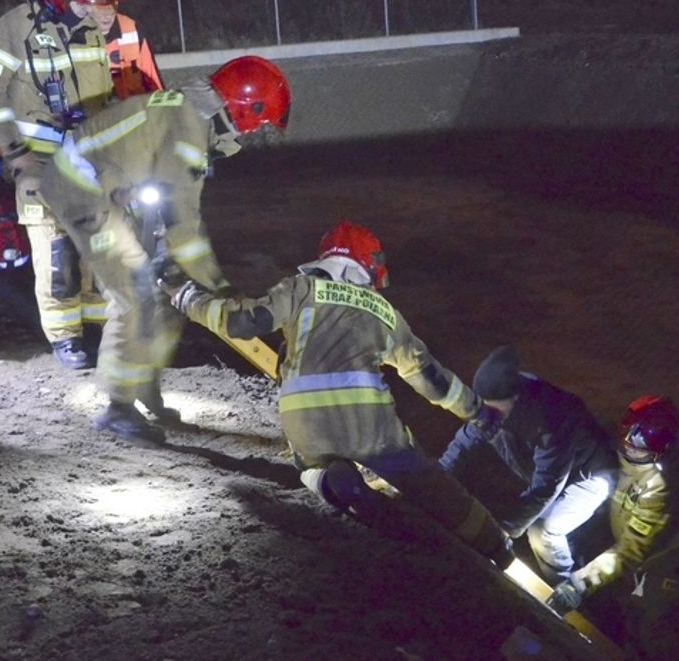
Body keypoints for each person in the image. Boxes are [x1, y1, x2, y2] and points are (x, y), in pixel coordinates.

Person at [164, 220, 515, 568]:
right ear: (370, 267)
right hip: (372, 429)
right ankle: (496, 546)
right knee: (427, 481)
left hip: (304, 422)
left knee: (306, 465)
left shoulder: (300, 289)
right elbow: (431, 379)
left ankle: (332, 481)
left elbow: (242, 323)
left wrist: (187, 297)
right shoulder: (386, 314)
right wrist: (479, 413)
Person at [39, 55, 291, 444]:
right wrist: (218, 285)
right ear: (244, 110)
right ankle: (117, 408)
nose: (252, 134)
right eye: (257, 124)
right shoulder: (189, 133)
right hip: (81, 193)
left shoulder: (186, 112)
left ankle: (144, 389)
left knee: (162, 295)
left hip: (109, 188)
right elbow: (183, 226)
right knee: (135, 293)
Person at [0, 0, 115, 369]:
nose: (90, 11)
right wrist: (15, 152)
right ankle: (66, 339)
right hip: (40, 162)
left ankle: (100, 330)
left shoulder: (94, 23)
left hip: (91, 160)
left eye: (94, 3)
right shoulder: (15, 28)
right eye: (82, 3)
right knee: (57, 258)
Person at [545, 395, 679, 661]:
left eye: (638, 445)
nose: (628, 447)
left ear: (659, 450)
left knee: (651, 624)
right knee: (621, 600)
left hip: (665, 557)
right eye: (627, 439)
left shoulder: (661, 488)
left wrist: (578, 584)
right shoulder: (621, 454)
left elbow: (631, 550)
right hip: (632, 544)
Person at [438, 344, 618, 583]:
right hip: (557, 473)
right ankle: (572, 553)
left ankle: (566, 590)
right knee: (534, 519)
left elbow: (546, 487)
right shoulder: (495, 406)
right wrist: (435, 478)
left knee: (545, 530)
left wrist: (505, 531)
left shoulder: (553, 418)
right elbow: (465, 443)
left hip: (591, 474)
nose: (485, 414)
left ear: (515, 398)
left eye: (492, 408)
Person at [101, 0, 163, 99]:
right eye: (101, 6)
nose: (107, 13)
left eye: (112, 4)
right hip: (102, 116)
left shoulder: (131, 28)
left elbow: (152, 76)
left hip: (134, 111)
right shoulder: (78, 37)